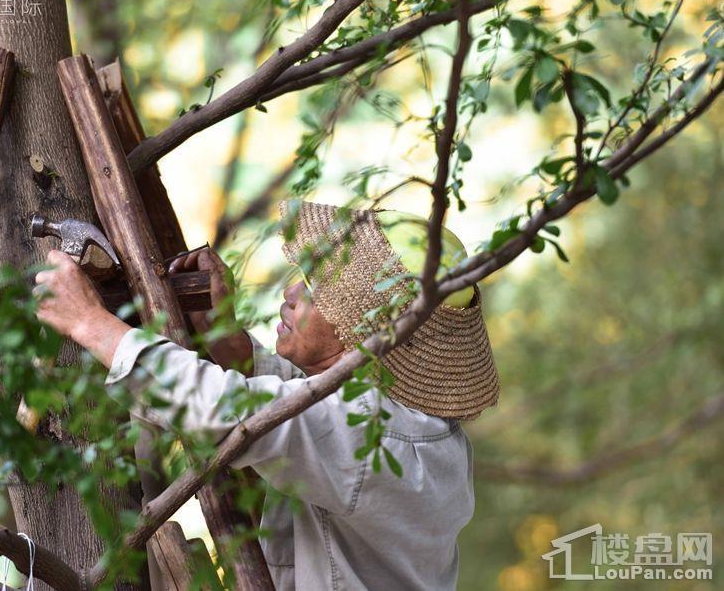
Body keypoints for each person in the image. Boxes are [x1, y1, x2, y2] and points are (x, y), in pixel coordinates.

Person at [33, 201, 499, 590]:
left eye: (318, 291)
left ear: (365, 333)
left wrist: (89, 323)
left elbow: (224, 412)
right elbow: (306, 408)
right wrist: (229, 342)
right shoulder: (408, 423)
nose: (291, 291)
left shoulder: (376, 436)